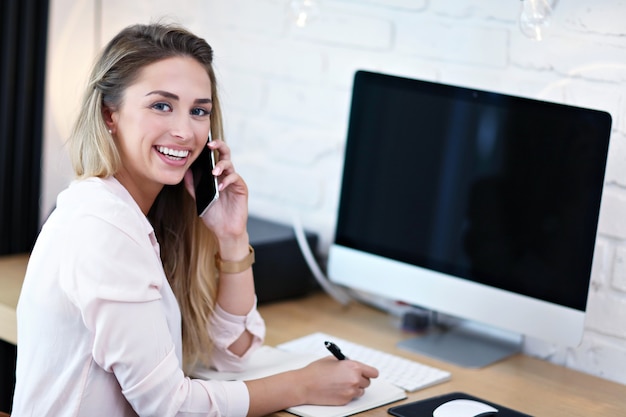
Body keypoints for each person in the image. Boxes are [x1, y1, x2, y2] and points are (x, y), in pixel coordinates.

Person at [12, 22, 378, 417]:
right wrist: (303, 384)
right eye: (161, 105)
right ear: (109, 114)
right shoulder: (104, 229)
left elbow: (232, 353)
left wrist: (232, 237)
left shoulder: (141, 218)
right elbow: (169, 407)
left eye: (199, 111)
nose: (185, 131)